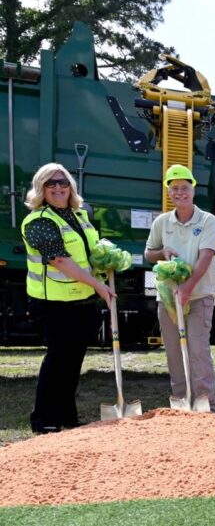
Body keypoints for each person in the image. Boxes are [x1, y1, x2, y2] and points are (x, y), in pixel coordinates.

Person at [22, 163, 114, 434]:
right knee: (57, 361)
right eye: (51, 183)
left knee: (72, 364)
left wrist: (108, 260)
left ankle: (67, 418)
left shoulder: (78, 215)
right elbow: (59, 260)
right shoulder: (39, 220)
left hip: (81, 302)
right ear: (41, 189)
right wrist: (97, 285)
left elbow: (89, 251)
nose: (58, 187)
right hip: (54, 304)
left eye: (63, 182)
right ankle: (44, 420)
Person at [144, 165, 215, 411]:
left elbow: (206, 257)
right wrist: (162, 252)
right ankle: (180, 403)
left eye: (184, 188)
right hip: (168, 299)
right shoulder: (162, 222)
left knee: (198, 351)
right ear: (169, 192)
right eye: (174, 188)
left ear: (193, 189)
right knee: (174, 353)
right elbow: (148, 253)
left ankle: (207, 405)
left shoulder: (208, 220)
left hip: (199, 296)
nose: (180, 192)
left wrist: (187, 288)